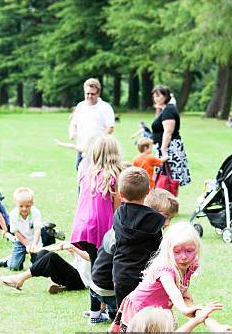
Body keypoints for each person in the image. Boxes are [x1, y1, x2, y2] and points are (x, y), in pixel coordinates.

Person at [112, 167, 165, 308]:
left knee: (124, 314)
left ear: (121, 194)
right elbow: (159, 250)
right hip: (146, 276)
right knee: (145, 315)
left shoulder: (118, 215)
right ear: (148, 191)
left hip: (121, 274)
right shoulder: (155, 220)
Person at [70, 134, 122, 267]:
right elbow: (117, 206)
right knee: (105, 264)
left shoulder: (87, 174)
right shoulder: (115, 176)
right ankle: (99, 286)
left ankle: (95, 285)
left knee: (96, 263)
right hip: (102, 227)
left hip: (83, 226)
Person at [0, 242, 91, 293]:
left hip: (81, 281)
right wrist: (73, 252)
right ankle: (55, 283)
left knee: (51, 257)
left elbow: (91, 258)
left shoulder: (94, 241)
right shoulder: (81, 239)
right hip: (75, 273)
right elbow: (81, 261)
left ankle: (20, 279)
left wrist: (75, 249)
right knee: (43, 253)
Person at [69, 78, 115, 169]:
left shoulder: (105, 107)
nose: (89, 96)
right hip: (82, 148)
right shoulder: (80, 106)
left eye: (93, 94)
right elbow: (73, 123)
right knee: (80, 171)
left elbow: (110, 128)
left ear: (98, 93)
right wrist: (72, 133)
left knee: (97, 175)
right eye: (87, 93)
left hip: (98, 149)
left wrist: (97, 140)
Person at [151, 85, 191, 186]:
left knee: (168, 180)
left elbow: (168, 131)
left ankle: (169, 201)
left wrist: (163, 150)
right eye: (154, 96)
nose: (155, 98)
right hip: (166, 147)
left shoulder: (169, 110)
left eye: (158, 96)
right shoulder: (165, 109)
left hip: (170, 148)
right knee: (163, 180)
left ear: (165, 96)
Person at [0, 187, 42, 271]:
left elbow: (37, 230)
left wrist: (34, 244)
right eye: (21, 206)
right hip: (20, 241)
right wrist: (27, 245)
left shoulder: (36, 212)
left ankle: (34, 260)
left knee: (38, 267)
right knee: (15, 267)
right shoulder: (13, 214)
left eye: (27, 206)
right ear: (16, 204)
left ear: (32, 203)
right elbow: (16, 233)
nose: (24, 209)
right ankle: (8, 261)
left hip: (34, 241)